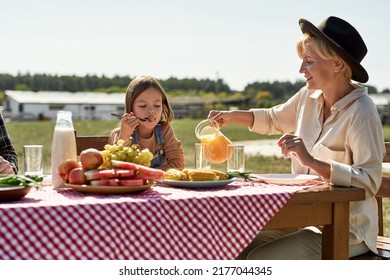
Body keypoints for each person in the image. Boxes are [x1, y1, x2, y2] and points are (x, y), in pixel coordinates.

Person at [208, 16, 385, 259]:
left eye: (309, 62)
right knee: (230, 247)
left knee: (260, 261)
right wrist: (230, 116)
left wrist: (312, 162)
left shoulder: (362, 111)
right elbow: (272, 119)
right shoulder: (307, 97)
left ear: (337, 64)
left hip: (347, 229)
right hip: (307, 219)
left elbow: (368, 181)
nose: (301, 70)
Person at [109, 75, 184, 170]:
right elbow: (115, 167)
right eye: (143, 105)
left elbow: (178, 165)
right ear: (131, 107)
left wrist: (148, 174)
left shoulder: (165, 130)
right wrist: (124, 136)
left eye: (157, 105)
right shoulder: (122, 134)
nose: (151, 111)